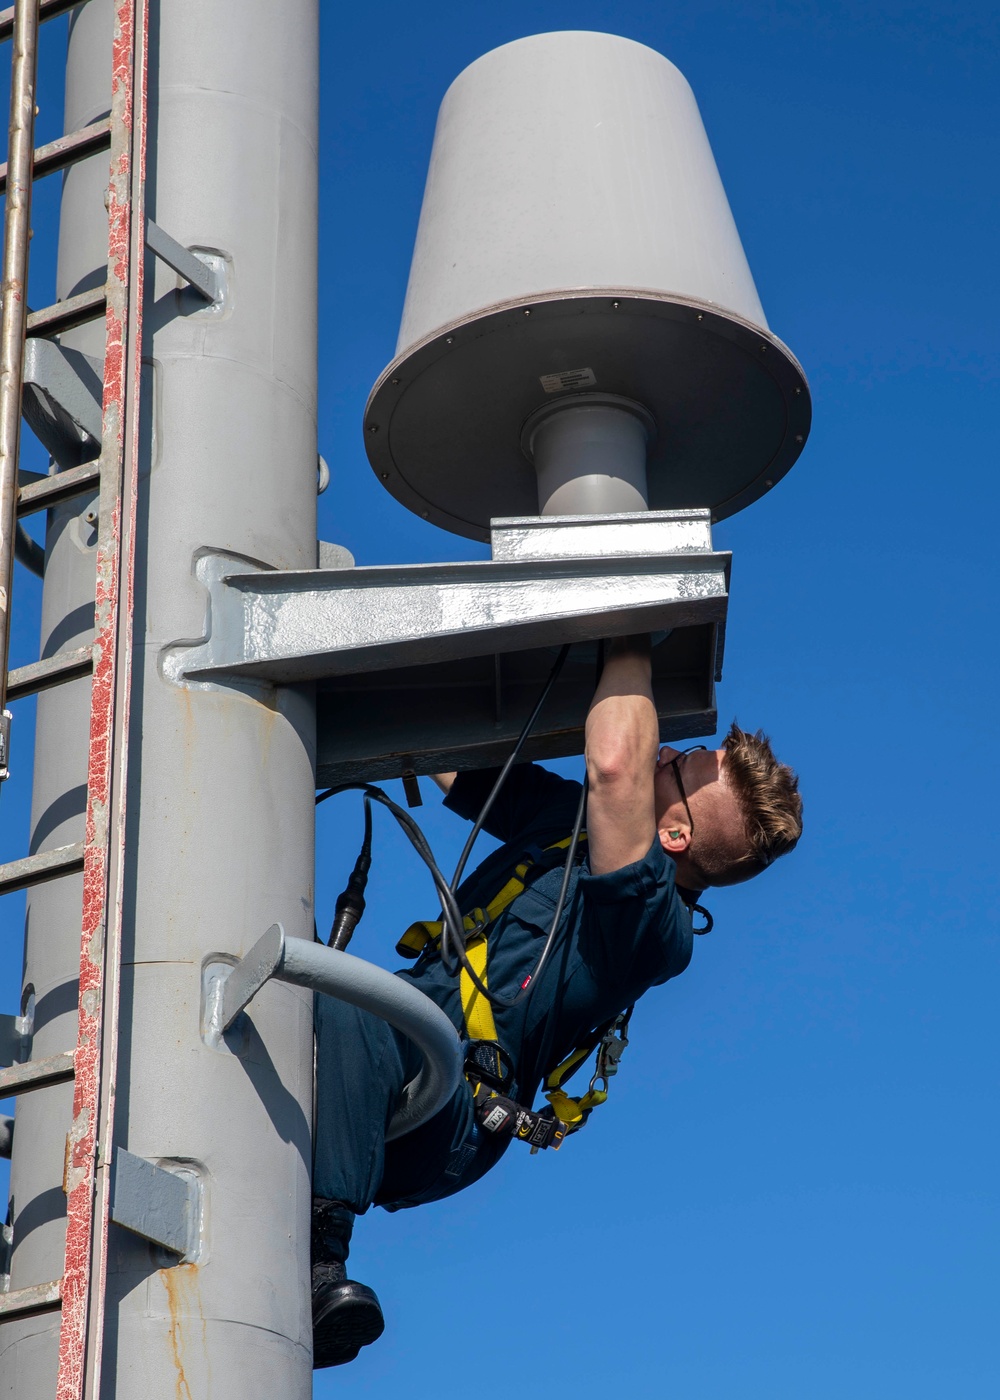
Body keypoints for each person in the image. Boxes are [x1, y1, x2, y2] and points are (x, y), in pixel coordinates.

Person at [310, 636, 803, 1367]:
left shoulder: (649, 927)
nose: (662, 754)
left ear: (673, 833)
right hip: (395, 1056)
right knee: (306, 984)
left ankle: (319, 1267)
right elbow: (451, 764)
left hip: (451, 1112)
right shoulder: (564, 821)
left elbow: (614, 766)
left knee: (346, 1000)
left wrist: (634, 633)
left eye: (679, 767)